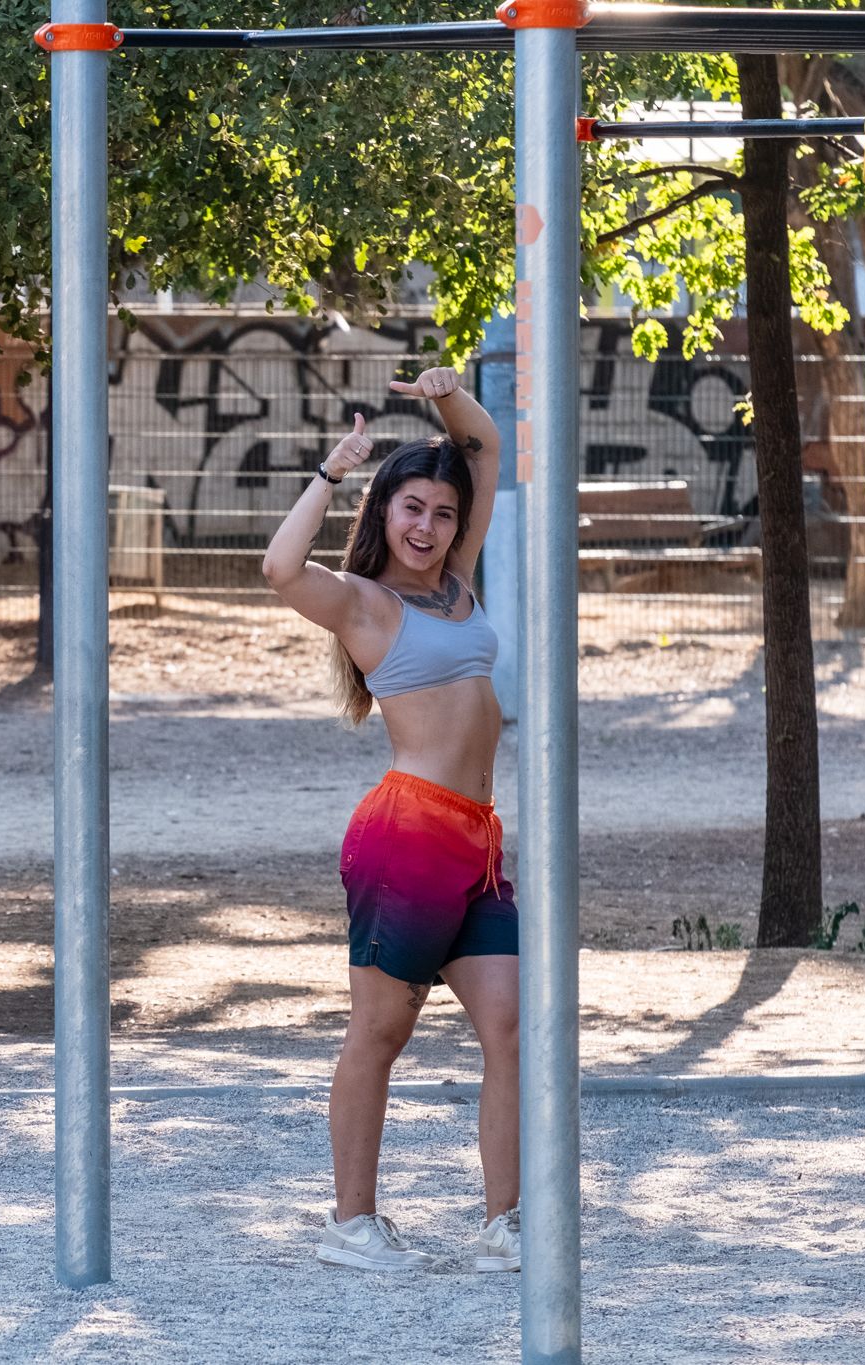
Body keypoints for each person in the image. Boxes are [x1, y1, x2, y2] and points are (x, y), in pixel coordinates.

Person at [260, 367, 519, 1273]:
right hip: (406, 837)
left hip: (477, 839)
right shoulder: (365, 601)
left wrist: (446, 395)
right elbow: (279, 568)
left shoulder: (458, 579)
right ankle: (351, 1225)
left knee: (512, 1025)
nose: (428, 527)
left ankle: (505, 1223)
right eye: (412, 508)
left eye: (442, 513)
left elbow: (485, 449)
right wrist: (330, 474)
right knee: (381, 1030)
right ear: (385, 511)